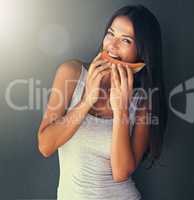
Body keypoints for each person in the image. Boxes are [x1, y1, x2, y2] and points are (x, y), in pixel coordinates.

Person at [37, 4, 168, 200]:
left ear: (141, 54)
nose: (112, 45)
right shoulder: (71, 73)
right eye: (110, 33)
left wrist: (121, 109)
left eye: (125, 40)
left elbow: (121, 172)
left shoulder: (141, 102)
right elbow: (45, 146)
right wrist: (87, 99)